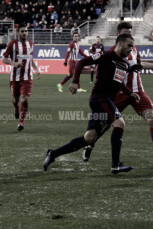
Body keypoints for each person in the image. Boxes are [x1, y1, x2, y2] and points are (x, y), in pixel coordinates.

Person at [82, 22, 153, 167]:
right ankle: (90, 145)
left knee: (152, 119)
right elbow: (110, 74)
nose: (128, 36)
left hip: (137, 91)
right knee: (106, 125)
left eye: (130, 33)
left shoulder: (133, 48)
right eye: (125, 33)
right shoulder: (112, 52)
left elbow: (139, 64)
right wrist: (130, 69)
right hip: (119, 92)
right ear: (118, 34)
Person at [43, 34, 141, 174]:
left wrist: (129, 93)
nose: (131, 49)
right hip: (99, 98)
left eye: (132, 46)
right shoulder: (106, 56)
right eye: (129, 45)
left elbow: (119, 83)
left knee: (89, 138)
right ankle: (115, 165)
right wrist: (75, 81)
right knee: (120, 123)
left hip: (105, 101)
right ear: (120, 43)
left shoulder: (124, 63)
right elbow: (82, 62)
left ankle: (53, 154)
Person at [2, 23, 42, 132]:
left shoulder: (31, 44)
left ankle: (21, 122)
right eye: (22, 31)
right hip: (14, 78)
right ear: (18, 32)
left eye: (26, 31)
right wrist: (14, 64)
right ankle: (16, 107)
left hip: (27, 77)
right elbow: (3, 59)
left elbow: (30, 58)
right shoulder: (12, 44)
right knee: (16, 100)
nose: (25, 33)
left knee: (25, 98)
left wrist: (36, 69)